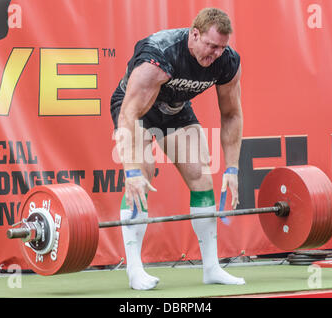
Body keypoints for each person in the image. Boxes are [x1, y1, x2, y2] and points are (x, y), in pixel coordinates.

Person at [110, 7, 244, 290]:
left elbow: (231, 114)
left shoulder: (226, 62)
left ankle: (211, 268)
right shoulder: (159, 54)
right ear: (194, 35)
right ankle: (135, 270)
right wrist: (131, 171)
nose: (215, 54)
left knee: (202, 176)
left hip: (175, 109)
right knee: (142, 177)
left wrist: (232, 168)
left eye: (221, 47)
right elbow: (128, 115)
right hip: (136, 110)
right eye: (210, 46)